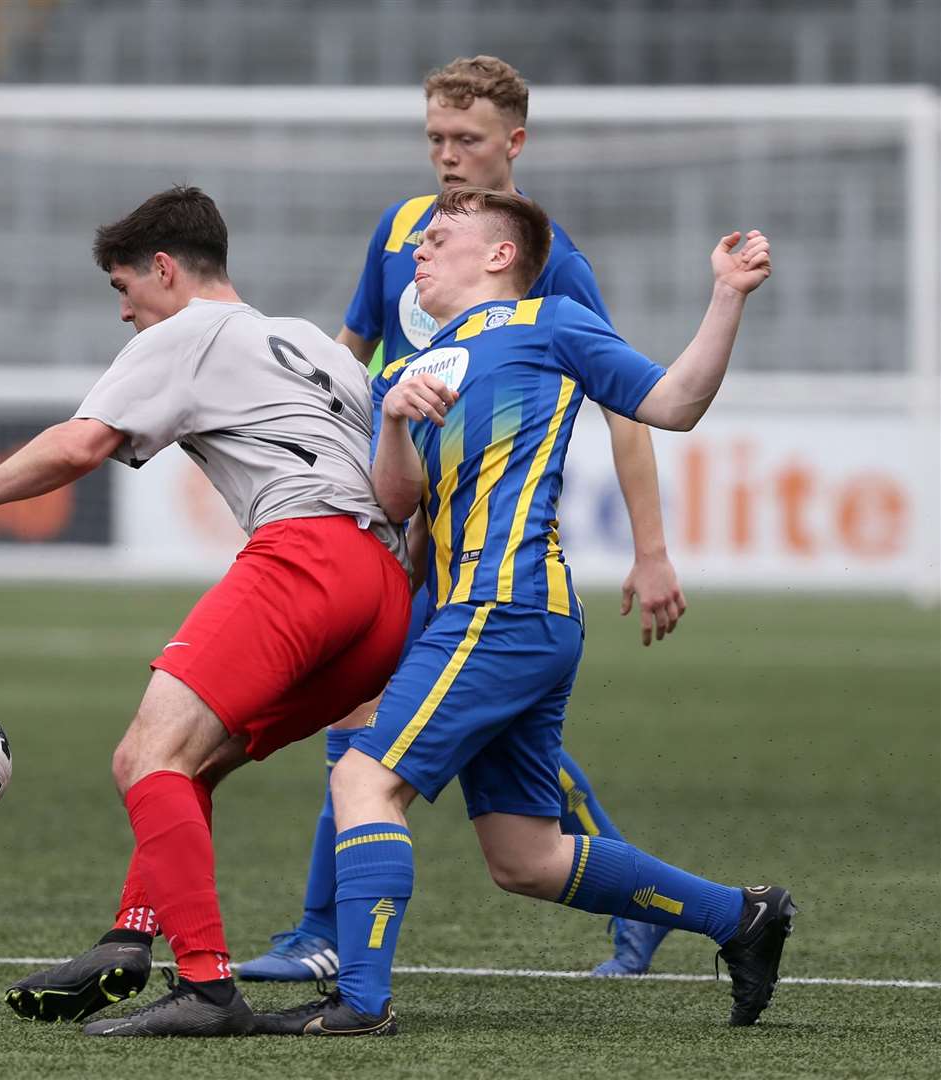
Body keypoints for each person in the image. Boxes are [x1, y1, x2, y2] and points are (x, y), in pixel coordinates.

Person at [254, 187, 793, 1036]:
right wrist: (392, 420)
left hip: (499, 606)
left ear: (500, 255)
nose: (419, 249)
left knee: (362, 776)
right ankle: (741, 918)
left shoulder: (549, 323)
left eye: (441, 236)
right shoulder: (410, 367)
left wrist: (725, 295)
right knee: (527, 859)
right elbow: (398, 500)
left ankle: (357, 1003)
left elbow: (673, 404)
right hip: (497, 615)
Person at [0, 186, 414, 1037]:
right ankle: (127, 940)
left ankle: (207, 988)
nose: (125, 311)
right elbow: (396, 480)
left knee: (145, 756)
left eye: (124, 287)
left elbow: (80, 442)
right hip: (383, 593)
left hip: (307, 557)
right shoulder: (317, 344)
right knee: (186, 768)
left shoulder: (185, 331)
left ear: (164, 269)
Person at [241, 54, 682, 984]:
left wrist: (650, 550)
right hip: (405, 504)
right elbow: (350, 351)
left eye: (467, 140)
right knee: (390, 710)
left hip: (485, 530)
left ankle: (325, 935)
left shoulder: (547, 258)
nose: (446, 157)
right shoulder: (403, 231)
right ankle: (325, 930)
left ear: (512, 144)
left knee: (382, 719)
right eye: (435, 137)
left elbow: (624, 405)